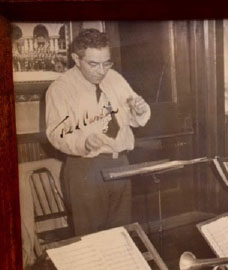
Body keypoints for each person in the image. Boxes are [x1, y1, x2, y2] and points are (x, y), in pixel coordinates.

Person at [45, 28, 151, 236]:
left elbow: (134, 115)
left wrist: (139, 110)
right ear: (76, 59)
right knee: (91, 241)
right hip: (86, 168)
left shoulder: (115, 78)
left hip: (120, 164)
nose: (101, 71)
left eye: (106, 63)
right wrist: (83, 142)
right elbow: (56, 132)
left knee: (121, 236)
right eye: (93, 64)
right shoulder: (61, 88)